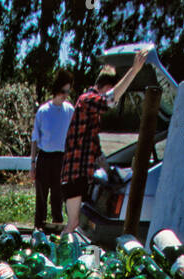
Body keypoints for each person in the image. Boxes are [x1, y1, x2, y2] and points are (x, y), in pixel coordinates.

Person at [60, 49, 150, 234]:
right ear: (104, 86)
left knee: (75, 224)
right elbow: (109, 100)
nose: (112, 94)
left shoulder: (91, 111)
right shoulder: (87, 100)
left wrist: (108, 168)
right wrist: (134, 71)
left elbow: (93, 143)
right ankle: (57, 255)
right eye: (110, 89)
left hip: (78, 173)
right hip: (74, 173)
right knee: (73, 223)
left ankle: (65, 252)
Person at [30, 70, 74, 230]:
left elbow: (74, 136)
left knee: (58, 197)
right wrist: (32, 164)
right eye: (63, 91)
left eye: (68, 92)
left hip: (61, 159)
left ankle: (57, 230)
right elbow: (35, 139)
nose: (65, 95)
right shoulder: (43, 111)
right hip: (44, 158)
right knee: (41, 198)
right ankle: (38, 230)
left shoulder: (69, 110)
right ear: (56, 90)